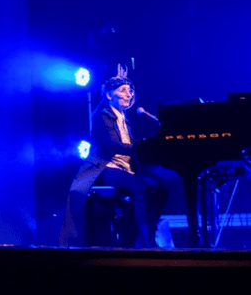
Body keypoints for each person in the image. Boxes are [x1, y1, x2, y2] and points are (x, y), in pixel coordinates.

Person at [59, 66, 173, 248]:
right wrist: (140, 148)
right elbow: (112, 145)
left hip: (126, 169)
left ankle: (144, 232)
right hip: (106, 168)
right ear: (109, 96)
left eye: (129, 91)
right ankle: (147, 239)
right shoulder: (102, 117)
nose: (128, 94)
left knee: (161, 188)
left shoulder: (124, 117)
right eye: (122, 91)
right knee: (142, 186)